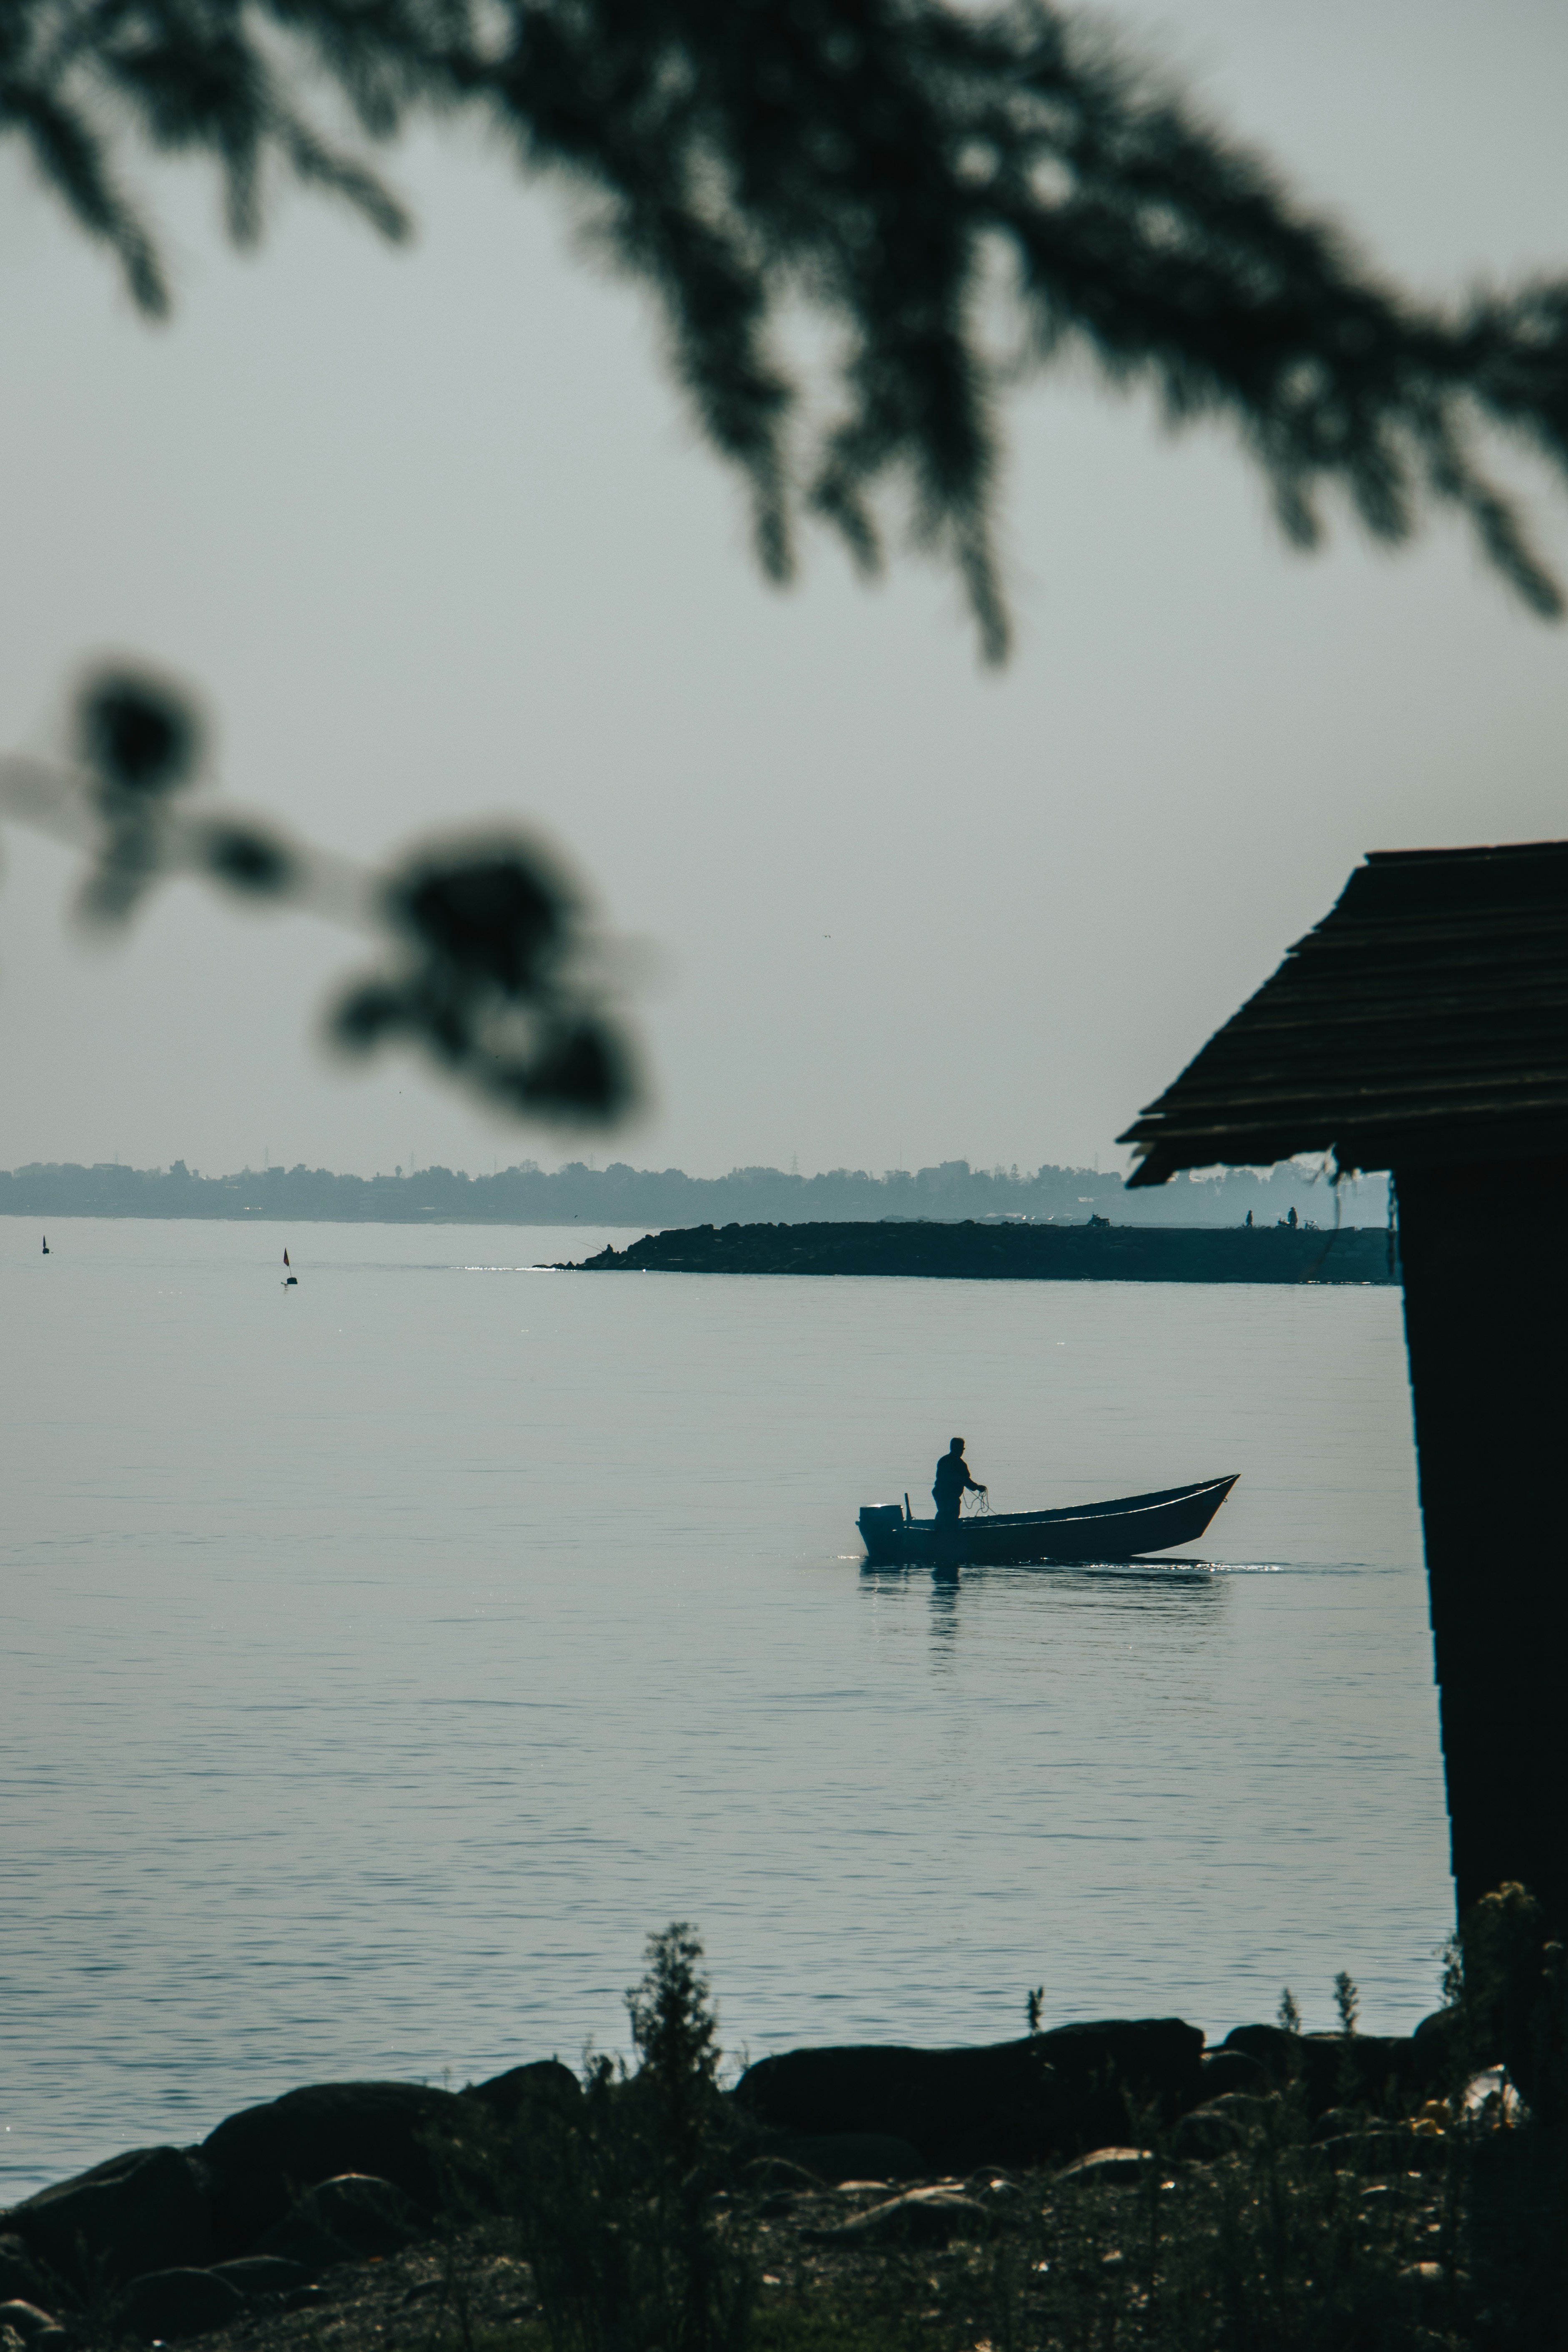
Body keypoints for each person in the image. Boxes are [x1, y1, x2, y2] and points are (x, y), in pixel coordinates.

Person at [933, 1437, 986, 1524]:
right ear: (956, 1448)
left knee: (943, 1513)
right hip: (948, 1495)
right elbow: (965, 1480)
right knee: (951, 1515)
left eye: (963, 1449)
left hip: (939, 1493)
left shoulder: (944, 1460)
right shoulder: (960, 1464)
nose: (962, 1451)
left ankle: (938, 1532)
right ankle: (947, 1534)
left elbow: (962, 1479)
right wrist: (976, 1487)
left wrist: (975, 1486)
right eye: (962, 1449)